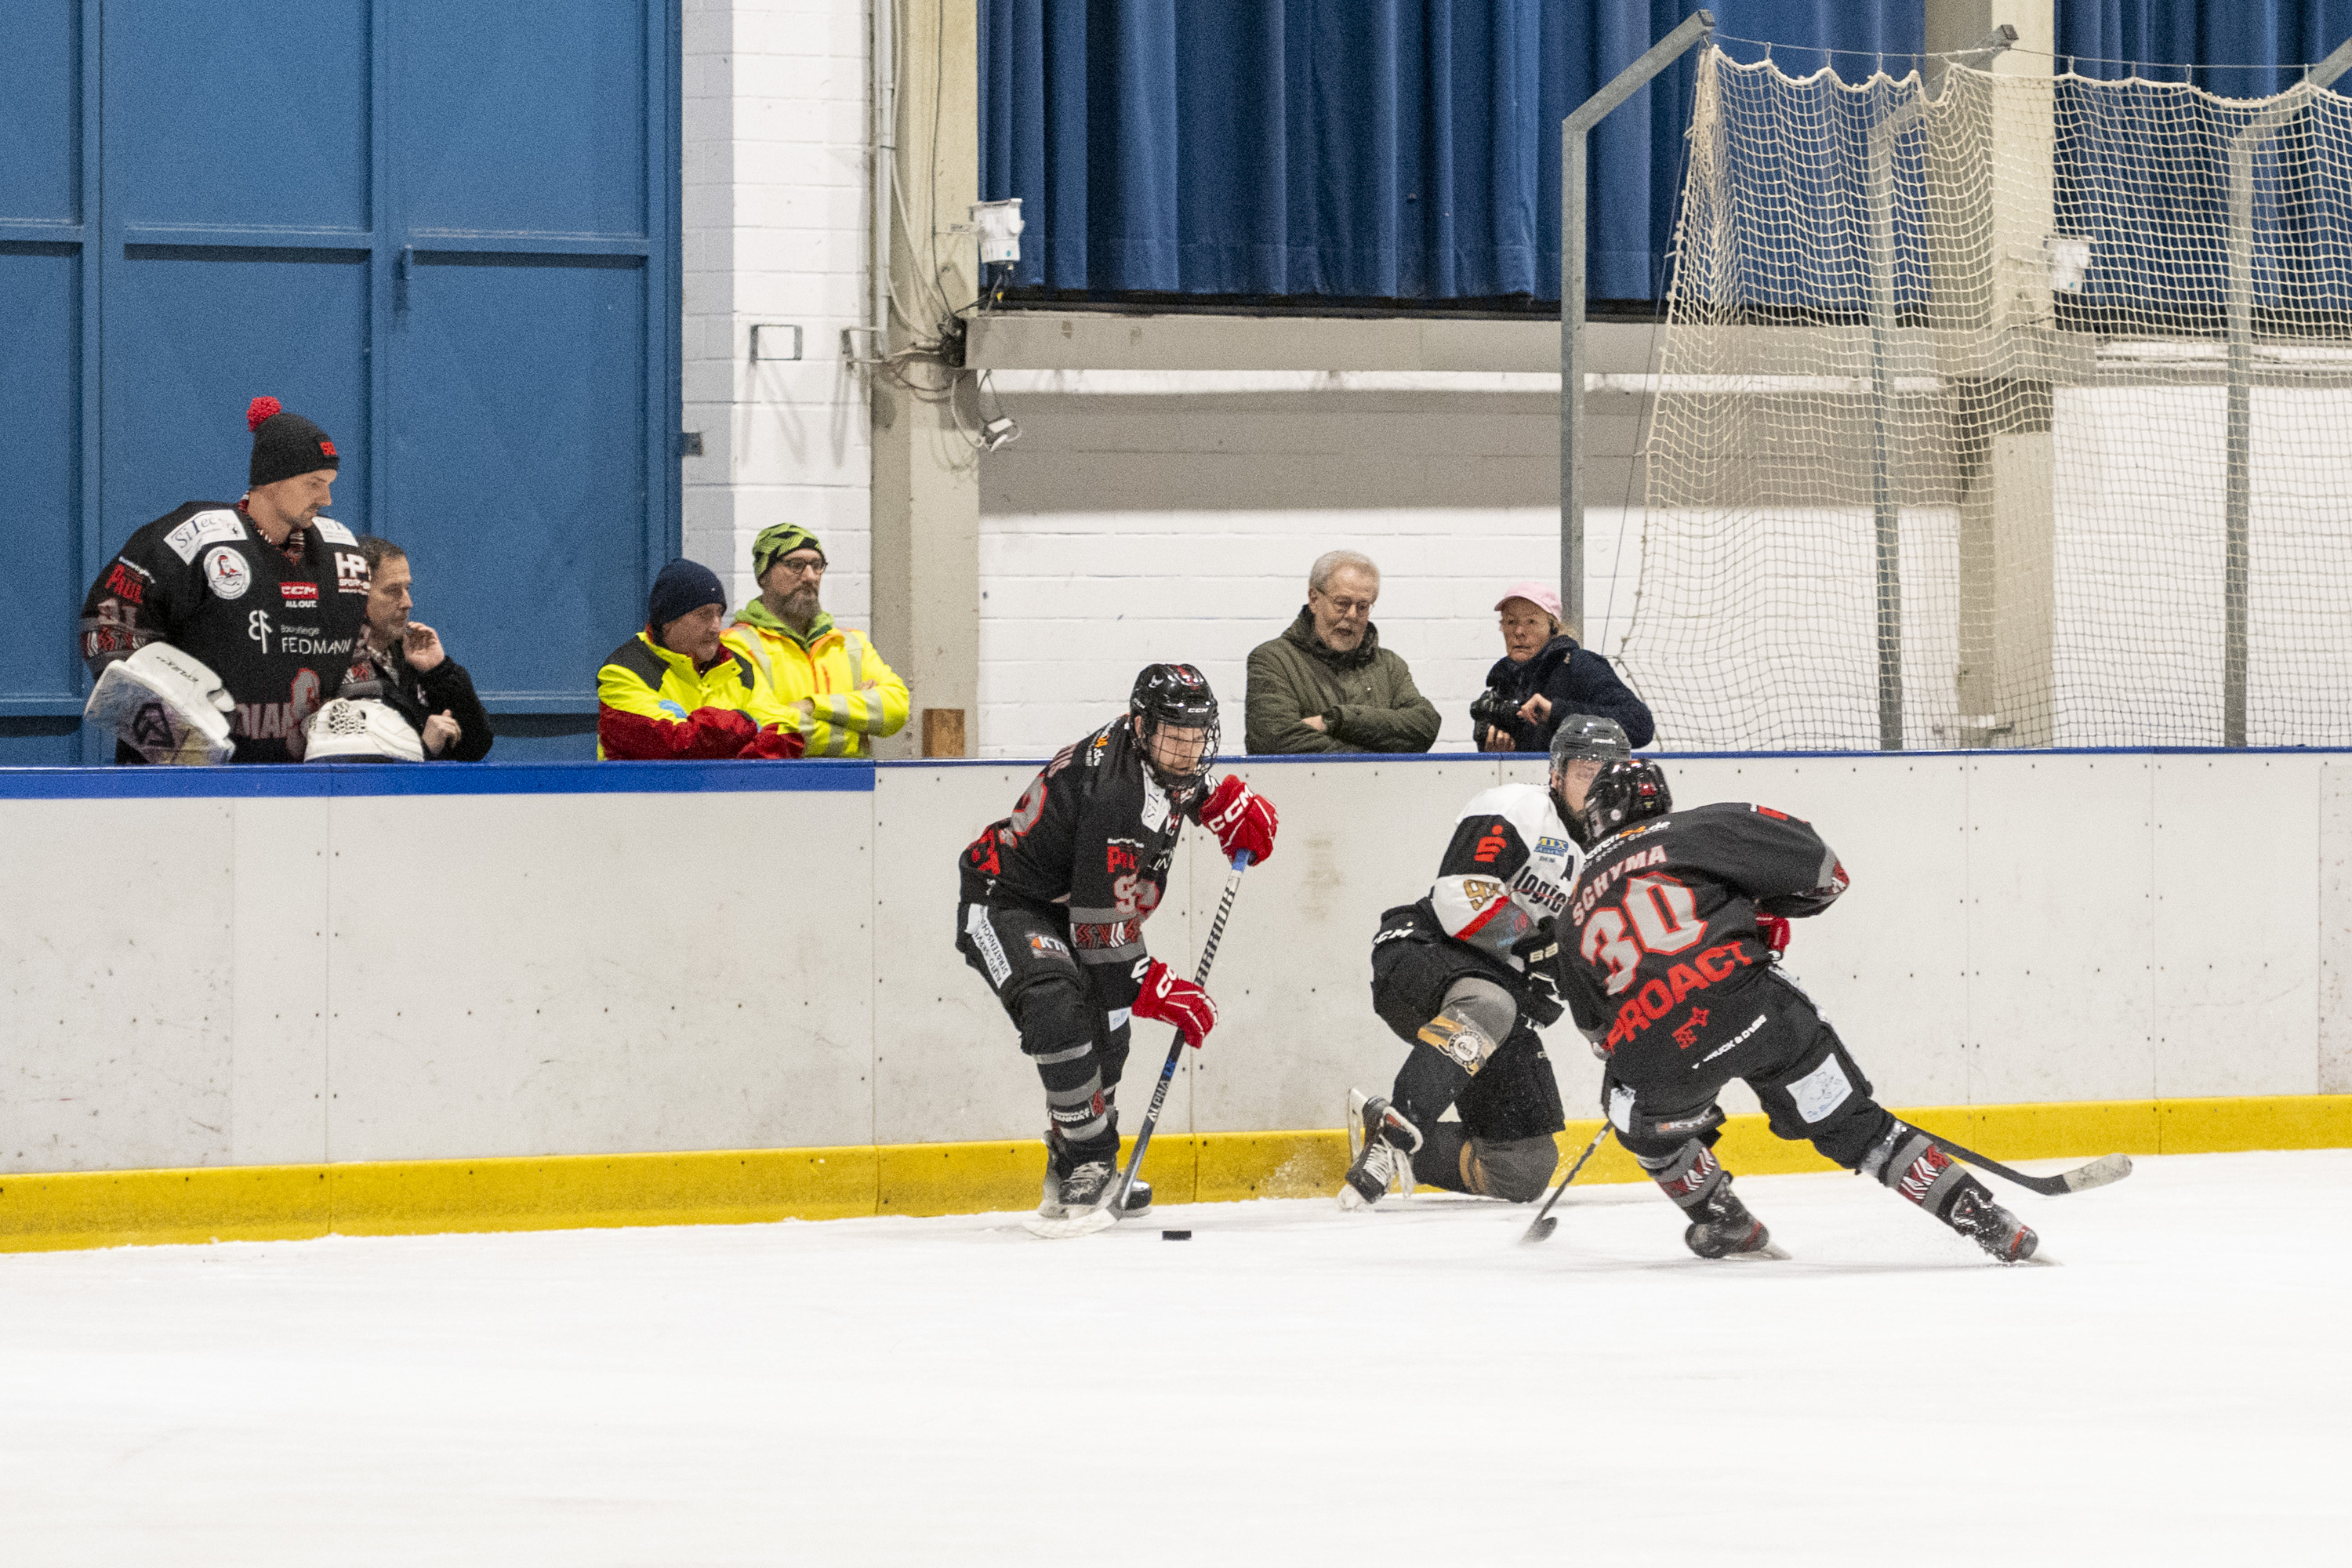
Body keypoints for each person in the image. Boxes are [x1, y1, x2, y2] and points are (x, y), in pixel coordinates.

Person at [1548, 759, 2038, 1263]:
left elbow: (1599, 1035)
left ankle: (1724, 1220)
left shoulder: (1570, 916)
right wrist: (1761, 911)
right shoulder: (1703, 826)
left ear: (1595, 818)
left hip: (1660, 1052)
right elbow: (1826, 871)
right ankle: (1989, 1221)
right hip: (1758, 1013)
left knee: (1635, 1118)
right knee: (1853, 1126)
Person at [956, 665, 1279, 1221]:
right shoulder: (1114, 795)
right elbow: (1100, 938)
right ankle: (1090, 1159)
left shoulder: (1148, 755)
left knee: (1110, 1035)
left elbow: (1176, 787)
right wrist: (1157, 986)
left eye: (1196, 737)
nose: (1186, 750)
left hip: (1074, 903)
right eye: (1174, 737)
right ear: (1141, 725)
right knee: (1057, 1006)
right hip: (1008, 901)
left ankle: (1069, 1163)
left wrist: (1217, 801)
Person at [1339, 716, 1636, 1210]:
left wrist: (1620, 1038)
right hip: (1422, 953)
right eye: (1586, 772)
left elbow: (1595, 971)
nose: (1597, 787)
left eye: (1609, 775)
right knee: (1491, 1002)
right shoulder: (1517, 809)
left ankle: (1389, 1130)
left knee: (1522, 1168)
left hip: (1499, 1002)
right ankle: (1389, 1144)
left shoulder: (1615, 864)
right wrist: (1541, 946)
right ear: (1557, 774)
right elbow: (1458, 899)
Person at [78, 396, 372, 763]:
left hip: (300, 787)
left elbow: (358, 657)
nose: (327, 497)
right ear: (272, 479)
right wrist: (179, 747)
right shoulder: (193, 537)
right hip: (185, 785)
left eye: (329, 483)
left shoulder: (342, 553)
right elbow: (106, 627)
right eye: (314, 483)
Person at [723, 523, 909, 758]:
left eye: (817, 565)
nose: (810, 576)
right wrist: (856, 733)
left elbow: (897, 708)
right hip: (775, 789)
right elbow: (760, 724)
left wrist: (812, 706)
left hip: (852, 791)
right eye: (795, 565)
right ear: (764, 575)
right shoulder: (736, 645)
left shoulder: (851, 643)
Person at [597, 560, 806, 760]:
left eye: (719, 613)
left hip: (727, 793)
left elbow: (786, 735)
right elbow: (673, 745)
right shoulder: (624, 671)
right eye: (704, 615)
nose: (716, 626)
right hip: (644, 796)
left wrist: (729, 759)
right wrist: (745, 722)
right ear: (668, 621)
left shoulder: (740, 668)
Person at [1243, 550, 1439, 754]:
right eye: (1342, 603)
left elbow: (1424, 726)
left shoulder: (1390, 666)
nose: (1352, 615)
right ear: (1314, 599)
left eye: (1363, 606)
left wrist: (1337, 720)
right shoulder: (1273, 660)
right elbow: (1272, 740)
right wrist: (1376, 759)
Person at [336, 536, 492, 760]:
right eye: (392, 590)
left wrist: (439, 671)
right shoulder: (334, 663)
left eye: (407, 588)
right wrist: (423, 749)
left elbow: (476, 746)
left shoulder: (414, 657)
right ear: (357, 594)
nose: (407, 602)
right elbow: (350, 767)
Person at [1473, 580, 1653, 753]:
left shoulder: (1579, 665)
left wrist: (1556, 712)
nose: (1519, 632)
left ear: (1554, 629)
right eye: (1511, 622)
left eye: (1531, 622)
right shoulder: (1502, 681)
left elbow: (1640, 725)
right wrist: (1499, 754)